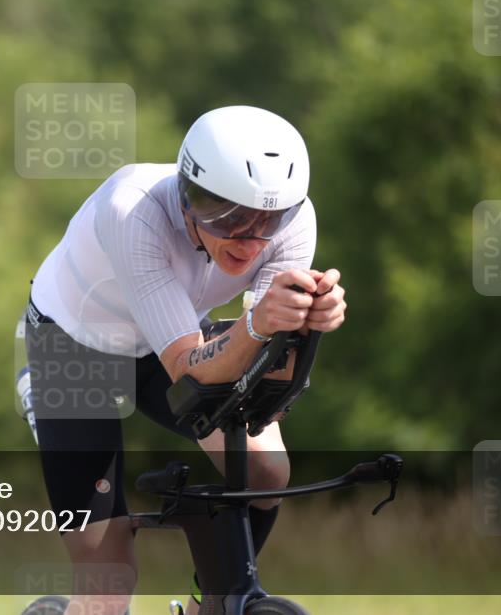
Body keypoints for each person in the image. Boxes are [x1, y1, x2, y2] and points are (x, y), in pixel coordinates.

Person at [22, 105, 347, 615]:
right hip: (75, 346)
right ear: (187, 193)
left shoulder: (295, 223)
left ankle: (210, 604)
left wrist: (305, 325)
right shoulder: (132, 209)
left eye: (268, 220)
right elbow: (189, 369)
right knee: (108, 585)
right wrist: (262, 322)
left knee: (266, 468)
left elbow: (267, 381)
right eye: (229, 216)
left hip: (171, 333)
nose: (249, 240)